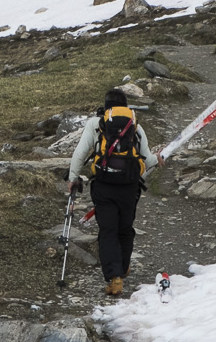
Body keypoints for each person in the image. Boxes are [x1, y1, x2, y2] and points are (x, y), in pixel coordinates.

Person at [67, 88, 164, 296]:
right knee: (125, 227)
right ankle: (124, 266)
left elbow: (80, 153)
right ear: (126, 105)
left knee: (108, 230)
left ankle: (114, 277)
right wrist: (159, 158)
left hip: (104, 185)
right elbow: (146, 160)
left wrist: (73, 177)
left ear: (106, 105)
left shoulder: (96, 123)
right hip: (129, 187)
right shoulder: (135, 125)